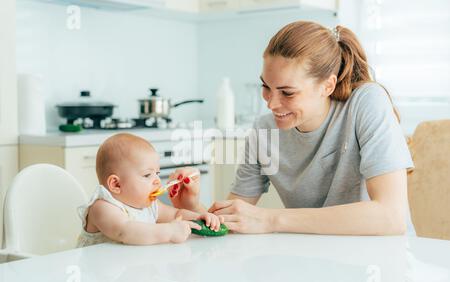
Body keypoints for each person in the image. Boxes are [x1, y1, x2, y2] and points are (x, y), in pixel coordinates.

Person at [173, 21, 414, 236]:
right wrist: (193, 207)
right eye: (266, 86)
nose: (271, 103)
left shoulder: (365, 102)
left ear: (327, 86)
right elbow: (233, 221)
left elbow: (391, 217)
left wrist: (270, 219)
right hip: (309, 262)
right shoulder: (263, 131)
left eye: (287, 92)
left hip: (378, 265)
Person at [77, 133, 222, 247]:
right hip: (99, 277)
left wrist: (199, 217)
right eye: (147, 175)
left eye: (157, 174)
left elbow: (177, 214)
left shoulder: (150, 205)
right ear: (116, 185)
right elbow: (126, 231)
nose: (157, 181)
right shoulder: (102, 207)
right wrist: (170, 231)